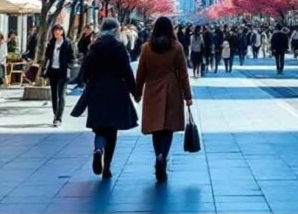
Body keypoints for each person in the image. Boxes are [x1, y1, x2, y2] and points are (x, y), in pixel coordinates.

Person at [71, 18, 137, 180]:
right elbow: (127, 71)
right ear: (116, 30)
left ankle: (98, 149)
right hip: (116, 91)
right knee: (112, 130)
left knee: (100, 128)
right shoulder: (119, 48)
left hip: (97, 91)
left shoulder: (94, 48)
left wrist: (89, 81)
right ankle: (107, 167)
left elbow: (85, 72)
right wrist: (135, 91)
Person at [135, 16, 193, 183]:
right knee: (168, 127)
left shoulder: (146, 48)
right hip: (172, 89)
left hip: (152, 89)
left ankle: (158, 155)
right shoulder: (176, 47)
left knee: (156, 128)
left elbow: (141, 72)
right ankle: (163, 156)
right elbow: (183, 73)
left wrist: (138, 92)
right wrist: (187, 96)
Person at [43, 24, 75, 127]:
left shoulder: (68, 43)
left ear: (62, 31)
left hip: (63, 72)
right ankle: (55, 115)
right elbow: (47, 56)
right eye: (55, 30)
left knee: (61, 95)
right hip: (53, 71)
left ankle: (59, 118)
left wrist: (68, 67)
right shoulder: (51, 43)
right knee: (54, 95)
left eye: (59, 30)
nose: (56, 32)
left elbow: (72, 58)